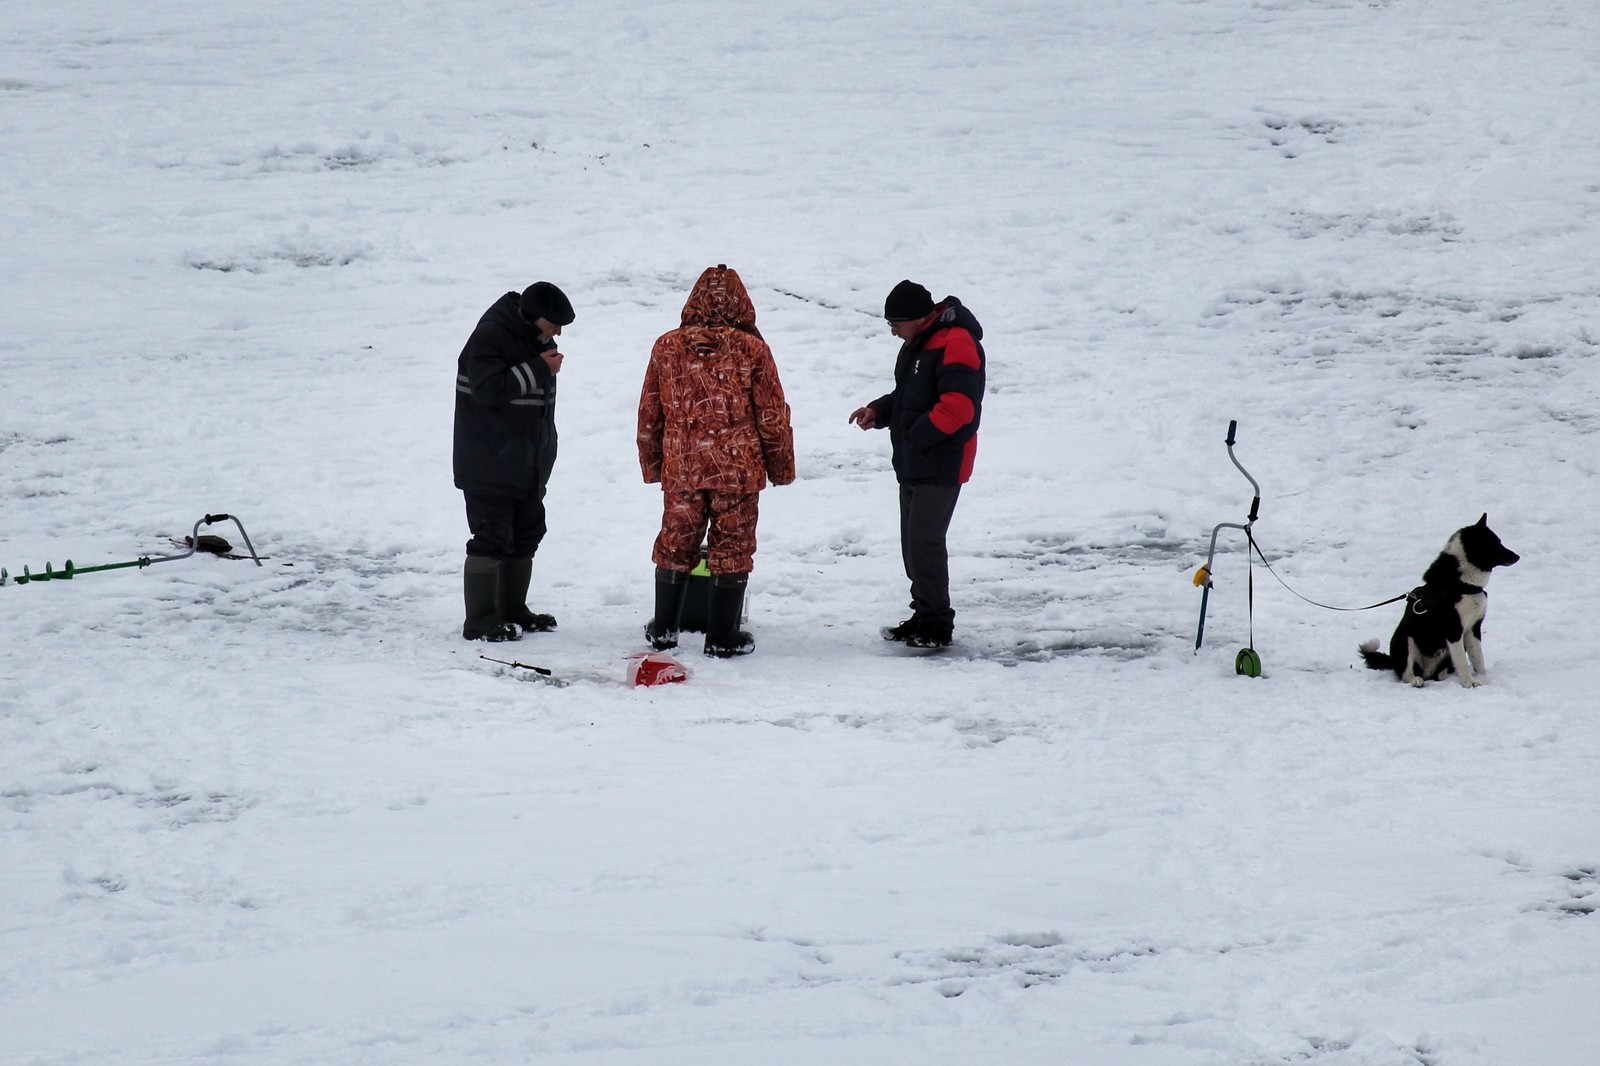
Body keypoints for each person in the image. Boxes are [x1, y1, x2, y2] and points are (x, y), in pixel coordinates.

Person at [638, 265, 796, 657]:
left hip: (683, 467)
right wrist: (781, 468)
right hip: (736, 470)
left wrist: (652, 463)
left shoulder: (666, 347)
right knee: (734, 545)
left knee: (676, 543)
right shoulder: (752, 349)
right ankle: (723, 637)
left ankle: (665, 631)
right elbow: (772, 415)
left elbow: (649, 412)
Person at [848, 280, 986, 649]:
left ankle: (937, 626)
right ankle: (924, 614)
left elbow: (959, 406)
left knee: (925, 543)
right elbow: (909, 396)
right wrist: (878, 412)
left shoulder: (955, 341)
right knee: (913, 545)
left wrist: (918, 436)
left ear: (917, 318)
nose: (893, 331)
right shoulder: (920, 343)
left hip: (940, 463)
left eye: (895, 323)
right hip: (915, 462)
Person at [452, 280, 575, 642]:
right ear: (531, 317)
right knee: (491, 536)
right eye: (553, 325)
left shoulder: (536, 340)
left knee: (526, 533)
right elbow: (488, 389)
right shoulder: (490, 337)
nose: (558, 333)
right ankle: (480, 619)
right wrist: (539, 369)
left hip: (524, 463)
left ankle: (512, 609)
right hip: (488, 461)